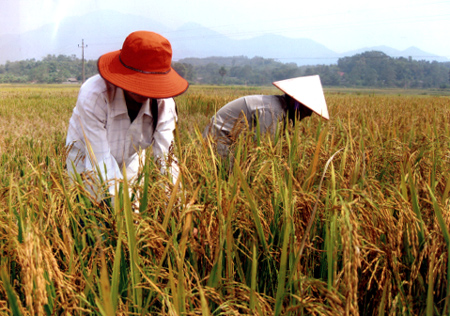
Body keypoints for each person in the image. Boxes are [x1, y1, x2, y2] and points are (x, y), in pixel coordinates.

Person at [66, 31, 188, 203]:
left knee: (133, 216)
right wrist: (121, 207)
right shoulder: (94, 96)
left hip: (130, 158)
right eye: (139, 81)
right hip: (85, 158)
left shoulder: (163, 104)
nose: (144, 91)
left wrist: (180, 211)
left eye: (151, 84)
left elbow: (167, 161)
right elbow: (99, 160)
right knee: (91, 213)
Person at [202, 75, 329, 159]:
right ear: (296, 103)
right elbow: (261, 147)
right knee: (228, 174)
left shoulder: (282, 111)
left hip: (234, 138)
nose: (309, 114)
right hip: (219, 135)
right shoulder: (272, 112)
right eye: (307, 109)